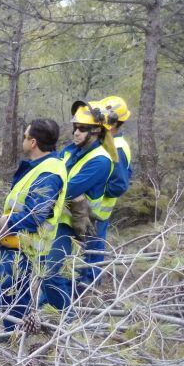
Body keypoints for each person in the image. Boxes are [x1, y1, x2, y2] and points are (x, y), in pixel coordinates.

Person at [0, 119, 67, 353]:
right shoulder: (39, 166)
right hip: (24, 248)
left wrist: (0, 225)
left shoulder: (49, 172)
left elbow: (35, 214)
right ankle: (14, 347)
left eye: (25, 136)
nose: (22, 140)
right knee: (18, 303)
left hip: (22, 249)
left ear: (33, 142)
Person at [41, 101, 118, 310]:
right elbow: (49, 170)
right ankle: (42, 312)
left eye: (82, 129)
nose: (76, 132)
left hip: (71, 225)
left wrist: (51, 184)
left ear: (96, 131)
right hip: (55, 218)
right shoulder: (71, 150)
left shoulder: (100, 160)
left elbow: (67, 188)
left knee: (51, 274)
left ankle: (66, 320)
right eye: (75, 127)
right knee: (44, 272)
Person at [78, 96, 134, 286]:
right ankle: (86, 282)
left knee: (93, 251)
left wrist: (96, 190)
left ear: (111, 122)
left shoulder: (116, 148)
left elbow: (120, 185)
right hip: (93, 209)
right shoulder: (109, 143)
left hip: (98, 211)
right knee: (89, 249)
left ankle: (89, 286)